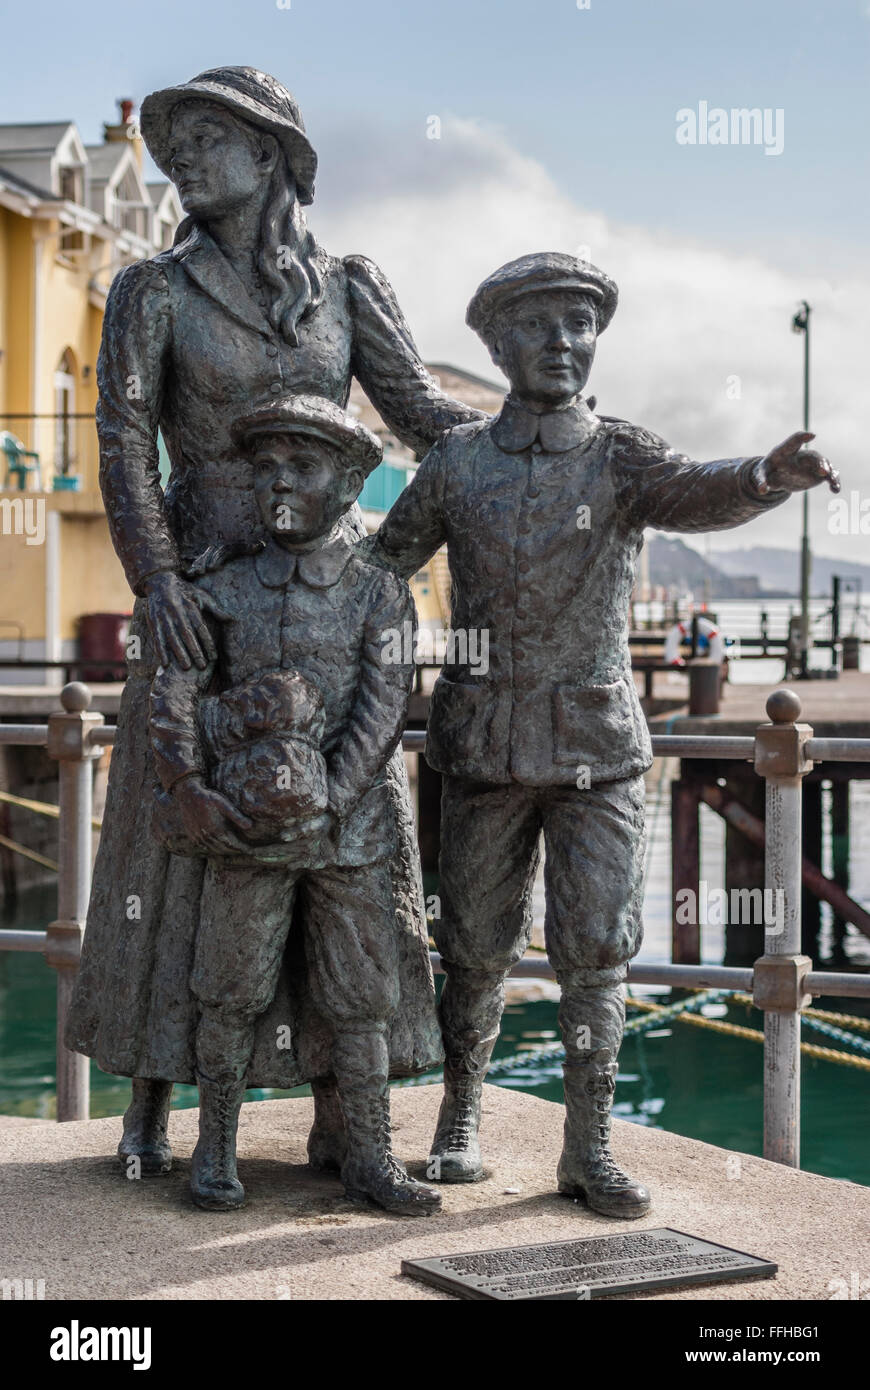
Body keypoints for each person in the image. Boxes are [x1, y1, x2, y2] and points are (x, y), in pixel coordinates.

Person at [66, 67, 482, 1175]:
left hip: (330, 610)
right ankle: (154, 1103)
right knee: (178, 846)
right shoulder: (153, 290)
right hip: (201, 600)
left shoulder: (348, 287)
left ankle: (351, 1106)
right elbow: (124, 444)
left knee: (343, 834)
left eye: (208, 138)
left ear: (273, 153)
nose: (184, 160)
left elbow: (429, 421)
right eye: (175, 146)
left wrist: (543, 434)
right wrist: (158, 586)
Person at [365, 251, 840, 1217]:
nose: (562, 343)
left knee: (596, 953)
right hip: (484, 743)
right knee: (475, 947)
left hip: (595, 750)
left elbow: (697, 490)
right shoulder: (458, 461)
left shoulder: (619, 455)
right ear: (497, 344)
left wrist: (763, 474)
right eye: (539, 325)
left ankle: (589, 1147)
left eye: (578, 325)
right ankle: (460, 1117)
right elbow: (380, 567)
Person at [149, 395, 440, 1215]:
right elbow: (173, 695)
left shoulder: (379, 593)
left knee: (361, 995)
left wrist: (333, 802)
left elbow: (384, 709)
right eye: (267, 466)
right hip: (241, 831)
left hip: (349, 836)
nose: (281, 482)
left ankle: (370, 1155)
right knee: (228, 990)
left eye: (304, 467)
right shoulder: (222, 586)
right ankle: (214, 1151)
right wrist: (188, 789)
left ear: (350, 485)